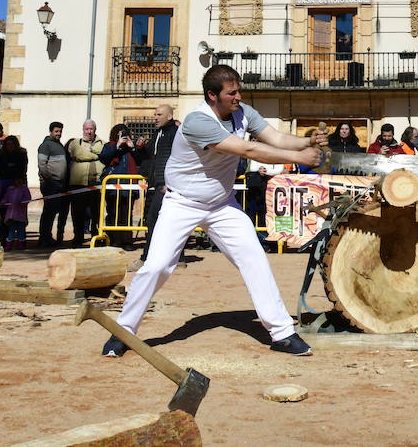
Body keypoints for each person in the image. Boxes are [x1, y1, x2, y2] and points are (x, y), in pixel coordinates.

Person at [105, 65, 328, 359]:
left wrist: (307, 141)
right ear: (212, 95)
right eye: (231, 92)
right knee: (157, 266)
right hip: (182, 203)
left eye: (238, 90)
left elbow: (275, 138)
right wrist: (298, 157)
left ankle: (282, 333)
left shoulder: (243, 112)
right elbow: (247, 150)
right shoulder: (198, 121)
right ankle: (123, 331)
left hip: (222, 205)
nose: (238, 96)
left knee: (254, 258)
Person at [136, 104, 178, 260]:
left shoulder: (175, 134)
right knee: (162, 221)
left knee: (154, 220)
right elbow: (149, 158)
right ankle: (176, 257)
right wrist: (140, 149)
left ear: (169, 116)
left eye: (159, 114)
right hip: (155, 184)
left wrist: (171, 183)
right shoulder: (157, 134)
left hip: (166, 186)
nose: (155, 117)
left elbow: (179, 159)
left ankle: (147, 258)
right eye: (155, 114)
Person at [99, 124, 142, 247]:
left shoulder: (131, 148)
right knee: (113, 213)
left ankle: (127, 241)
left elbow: (141, 161)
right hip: (113, 186)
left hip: (129, 187)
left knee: (127, 214)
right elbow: (104, 158)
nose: (123, 136)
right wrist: (117, 146)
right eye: (120, 134)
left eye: (125, 134)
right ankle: (114, 240)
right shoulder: (109, 146)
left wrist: (133, 148)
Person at [65, 120, 103, 247]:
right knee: (77, 213)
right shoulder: (76, 142)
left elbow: (101, 152)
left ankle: (96, 236)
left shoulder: (101, 143)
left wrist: (88, 153)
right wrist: (95, 156)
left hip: (96, 183)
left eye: (91, 129)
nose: (89, 131)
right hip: (78, 184)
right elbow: (78, 154)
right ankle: (78, 237)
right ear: (83, 130)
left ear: (95, 130)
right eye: (86, 129)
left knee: (96, 213)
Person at [36, 121, 70, 246]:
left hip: (59, 183)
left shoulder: (59, 145)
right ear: (51, 131)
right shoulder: (46, 145)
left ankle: (47, 237)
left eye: (60, 131)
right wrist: (49, 179)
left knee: (53, 211)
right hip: (50, 184)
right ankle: (44, 238)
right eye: (56, 131)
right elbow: (42, 164)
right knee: (49, 212)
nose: (59, 133)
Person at [2, 181, 32, 250]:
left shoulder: (24, 189)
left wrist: (22, 202)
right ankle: (9, 245)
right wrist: (3, 202)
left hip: (20, 214)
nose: (18, 182)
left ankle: (21, 245)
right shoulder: (10, 189)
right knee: (11, 230)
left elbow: (28, 198)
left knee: (21, 230)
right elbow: (6, 198)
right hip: (11, 214)